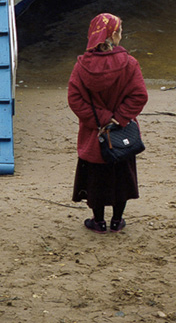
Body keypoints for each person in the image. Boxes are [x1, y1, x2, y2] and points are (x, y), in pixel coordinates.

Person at [67, 13, 148, 233]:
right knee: (122, 175)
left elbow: (75, 99)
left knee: (95, 179)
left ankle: (98, 221)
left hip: (95, 134)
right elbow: (139, 96)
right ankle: (117, 221)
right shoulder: (130, 63)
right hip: (121, 134)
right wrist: (118, 119)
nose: (121, 34)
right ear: (113, 34)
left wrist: (100, 120)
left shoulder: (82, 66)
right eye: (120, 30)